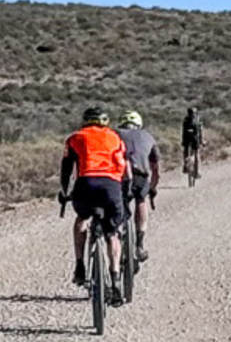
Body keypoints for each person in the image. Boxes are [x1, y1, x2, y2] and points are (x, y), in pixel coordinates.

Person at [60, 107, 131, 291]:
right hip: (111, 186)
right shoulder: (115, 137)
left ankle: (79, 265)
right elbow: (123, 166)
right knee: (113, 233)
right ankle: (115, 276)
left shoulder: (76, 138)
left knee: (82, 219)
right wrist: (123, 191)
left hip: (86, 183)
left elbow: (66, 169)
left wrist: (64, 191)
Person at [116, 111, 162, 261]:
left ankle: (119, 237)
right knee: (141, 202)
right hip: (140, 176)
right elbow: (155, 168)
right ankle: (140, 244)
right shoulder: (148, 136)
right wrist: (153, 188)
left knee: (119, 204)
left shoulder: (114, 133)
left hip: (119, 176)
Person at [181, 106, 204, 183]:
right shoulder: (198, 120)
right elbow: (200, 132)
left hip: (187, 138)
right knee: (197, 153)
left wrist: (183, 141)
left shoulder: (185, 120)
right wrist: (202, 141)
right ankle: (196, 172)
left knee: (185, 150)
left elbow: (183, 132)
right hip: (195, 139)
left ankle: (185, 165)